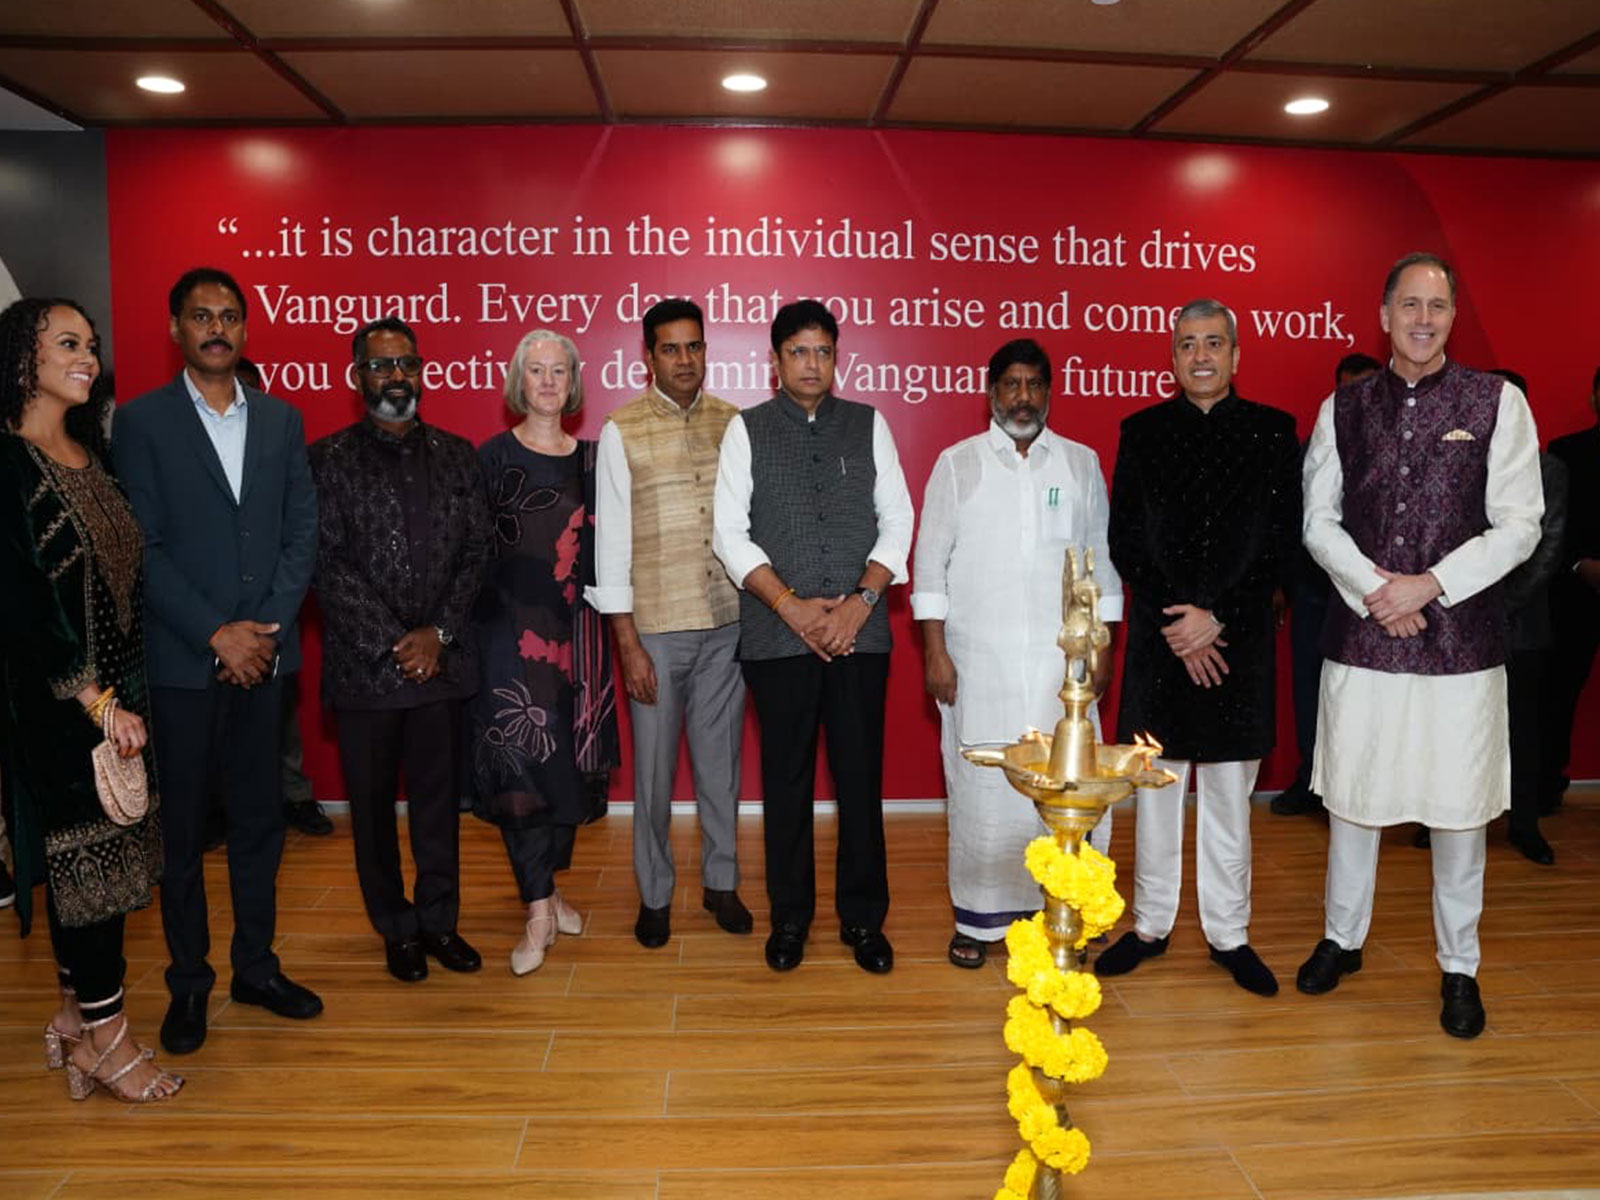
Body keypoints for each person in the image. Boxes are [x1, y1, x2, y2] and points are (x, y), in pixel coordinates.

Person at [1296, 253, 1542, 1039]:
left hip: (1461, 644)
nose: (1423, 319)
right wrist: (1378, 588)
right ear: (1383, 314)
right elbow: (1317, 520)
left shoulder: (1496, 402)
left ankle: (1459, 965)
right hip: (1363, 635)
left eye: (1437, 305)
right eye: (1410, 305)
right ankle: (1343, 938)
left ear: (1452, 316)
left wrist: (1429, 584)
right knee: (1354, 801)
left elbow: (1520, 524)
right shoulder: (1343, 406)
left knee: (1460, 808)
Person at [114, 267, 322, 1055]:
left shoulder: (281, 420)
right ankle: (189, 984)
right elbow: (144, 547)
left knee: (262, 821)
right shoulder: (141, 423)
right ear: (176, 328)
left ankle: (257, 969)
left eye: (230, 316)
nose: (217, 328)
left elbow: (301, 530)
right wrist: (217, 633)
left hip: (264, 659)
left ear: (244, 327)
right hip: (183, 663)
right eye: (201, 316)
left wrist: (262, 629)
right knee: (186, 833)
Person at [0, 297, 180, 1101]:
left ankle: (76, 1018)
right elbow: (25, 605)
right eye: (67, 344)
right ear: (22, 360)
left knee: (101, 875)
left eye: (92, 345)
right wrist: (97, 702)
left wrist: (124, 699)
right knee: (92, 875)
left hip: (121, 699)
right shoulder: (7, 465)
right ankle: (110, 1042)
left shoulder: (86, 451)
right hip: (60, 707)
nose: (88, 357)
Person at [1098, 298, 1300, 997]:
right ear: (1173, 357)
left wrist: (1217, 620)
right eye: (1188, 344)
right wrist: (1181, 624)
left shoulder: (1274, 433)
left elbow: (1280, 543)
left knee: (1226, 797)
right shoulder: (1142, 432)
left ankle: (1230, 934)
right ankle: (1150, 925)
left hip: (1237, 642)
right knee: (1155, 792)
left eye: (1215, 342)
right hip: (1162, 641)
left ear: (1237, 356)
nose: (1202, 355)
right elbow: (1126, 539)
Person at [713, 299, 914, 975]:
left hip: (861, 633)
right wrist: (794, 609)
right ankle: (790, 919)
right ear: (774, 361)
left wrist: (859, 604)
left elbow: (899, 521)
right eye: (798, 351)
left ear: (837, 357)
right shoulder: (746, 430)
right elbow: (729, 536)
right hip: (778, 639)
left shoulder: (868, 424)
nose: (812, 363)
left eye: (823, 351)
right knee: (787, 780)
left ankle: (864, 920)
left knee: (860, 781)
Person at [912, 338, 1122, 968]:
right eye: (1011, 385)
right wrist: (935, 649)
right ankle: (979, 922)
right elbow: (928, 563)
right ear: (991, 393)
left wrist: (1105, 640)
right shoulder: (958, 464)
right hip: (979, 660)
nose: (1023, 397)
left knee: (1066, 786)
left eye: (1034, 385)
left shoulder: (1080, 464)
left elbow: (1100, 558)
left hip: (1062, 669)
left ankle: (1067, 915)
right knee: (982, 788)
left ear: (1049, 392)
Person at [309, 318, 491, 981]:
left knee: (440, 806)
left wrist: (436, 634)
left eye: (406, 364)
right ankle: (397, 928)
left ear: (421, 371)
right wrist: (395, 641)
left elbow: (477, 553)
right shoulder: (325, 459)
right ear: (358, 377)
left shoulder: (457, 453)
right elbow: (325, 566)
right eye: (381, 366)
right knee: (373, 808)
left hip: (441, 667)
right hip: (366, 671)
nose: (396, 377)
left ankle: (440, 922)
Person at [585, 299, 751, 949]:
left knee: (722, 767)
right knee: (653, 776)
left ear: (706, 350)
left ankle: (721, 884)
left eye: (694, 347)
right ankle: (655, 894)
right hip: (655, 626)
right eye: (670, 349)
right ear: (648, 356)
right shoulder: (623, 430)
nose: (685, 360)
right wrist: (626, 641)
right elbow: (612, 545)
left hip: (730, 622)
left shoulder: (735, 424)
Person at [468, 329, 608, 975]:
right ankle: (536, 909)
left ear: (574, 381)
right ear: (518, 382)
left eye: (559, 370)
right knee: (518, 771)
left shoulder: (597, 461)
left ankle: (549, 887)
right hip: (507, 638)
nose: (548, 381)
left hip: (580, 638)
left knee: (567, 772)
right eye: (536, 370)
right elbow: (469, 555)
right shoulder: (490, 459)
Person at [1271, 352, 1382, 819]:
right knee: (1310, 693)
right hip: (1315, 592)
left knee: (1368, 699)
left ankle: (1364, 787)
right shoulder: (1311, 445)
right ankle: (1310, 782)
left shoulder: (1397, 449)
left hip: (1377, 597)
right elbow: (1287, 521)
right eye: (1346, 391)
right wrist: (1280, 583)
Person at [235, 355, 332, 841]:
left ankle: (294, 796)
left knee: (282, 720)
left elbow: (302, 529)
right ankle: (220, 808)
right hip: (210, 622)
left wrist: (273, 615)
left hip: (276, 609)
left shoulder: (281, 435)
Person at [1487, 369, 1566, 867]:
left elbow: (1548, 547)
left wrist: (1500, 604)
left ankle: (1525, 823)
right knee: (1461, 725)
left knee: (1523, 727)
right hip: (1461, 620)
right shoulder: (1460, 461)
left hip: (1520, 622)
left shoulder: (1549, 469)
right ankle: (1446, 820)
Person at [1541, 366, 1600, 817]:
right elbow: (1552, 528)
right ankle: (1546, 783)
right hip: (1576, 592)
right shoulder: (1566, 453)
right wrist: (1582, 563)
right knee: (1557, 693)